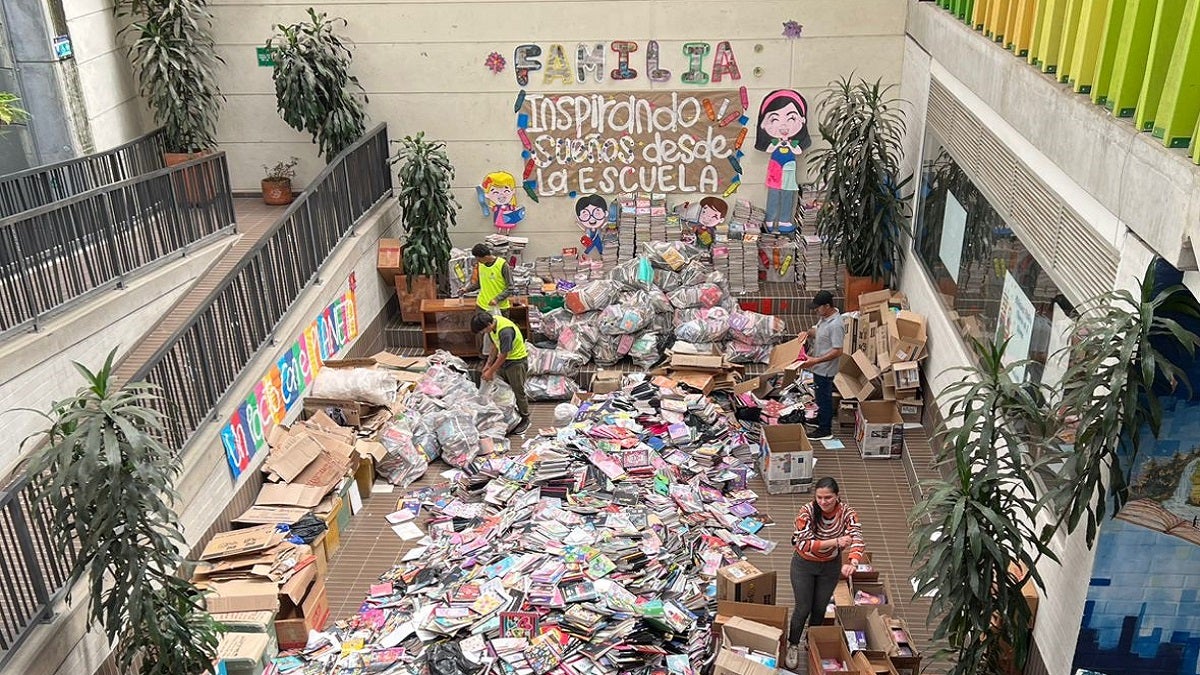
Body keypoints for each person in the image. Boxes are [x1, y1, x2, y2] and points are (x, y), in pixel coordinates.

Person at [785, 477, 865, 668]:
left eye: (828, 497)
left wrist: (853, 561)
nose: (823, 502)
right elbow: (803, 544)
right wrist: (836, 542)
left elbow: (857, 537)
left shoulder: (848, 513)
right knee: (803, 607)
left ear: (837, 496)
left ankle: (810, 639)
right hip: (804, 564)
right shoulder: (807, 512)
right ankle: (793, 643)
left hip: (830, 566)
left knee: (820, 608)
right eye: (819, 497)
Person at [754, 89, 811, 234]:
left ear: (802, 120)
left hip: (789, 169)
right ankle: (770, 220)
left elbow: (798, 151)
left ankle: (785, 220)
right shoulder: (774, 143)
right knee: (773, 194)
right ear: (763, 123)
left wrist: (790, 144)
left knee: (787, 195)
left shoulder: (794, 143)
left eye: (791, 119)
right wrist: (779, 144)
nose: (784, 126)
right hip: (775, 169)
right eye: (775, 119)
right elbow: (769, 148)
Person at [471, 311, 531, 435]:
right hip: (504, 361)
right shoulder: (493, 325)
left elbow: (504, 354)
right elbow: (495, 346)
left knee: (518, 390)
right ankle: (512, 415)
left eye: (483, 330)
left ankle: (525, 418)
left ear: (488, 324)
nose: (483, 333)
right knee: (504, 390)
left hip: (516, 362)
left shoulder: (505, 332)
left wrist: (491, 371)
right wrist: (487, 365)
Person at [796, 290, 843, 440]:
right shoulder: (824, 318)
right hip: (818, 366)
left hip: (826, 368)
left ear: (827, 306)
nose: (816, 310)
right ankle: (821, 419)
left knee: (824, 398)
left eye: (818, 307)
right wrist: (807, 333)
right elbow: (818, 331)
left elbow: (837, 351)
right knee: (819, 395)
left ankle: (825, 429)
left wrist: (815, 361)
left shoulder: (836, 325)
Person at [460, 244, 513, 315]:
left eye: (478, 259)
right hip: (482, 306)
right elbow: (479, 283)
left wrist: (497, 299)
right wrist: (467, 289)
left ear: (486, 256)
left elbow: (510, 287)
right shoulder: (480, 264)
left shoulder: (503, 265)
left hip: (499, 307)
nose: (477, 261)